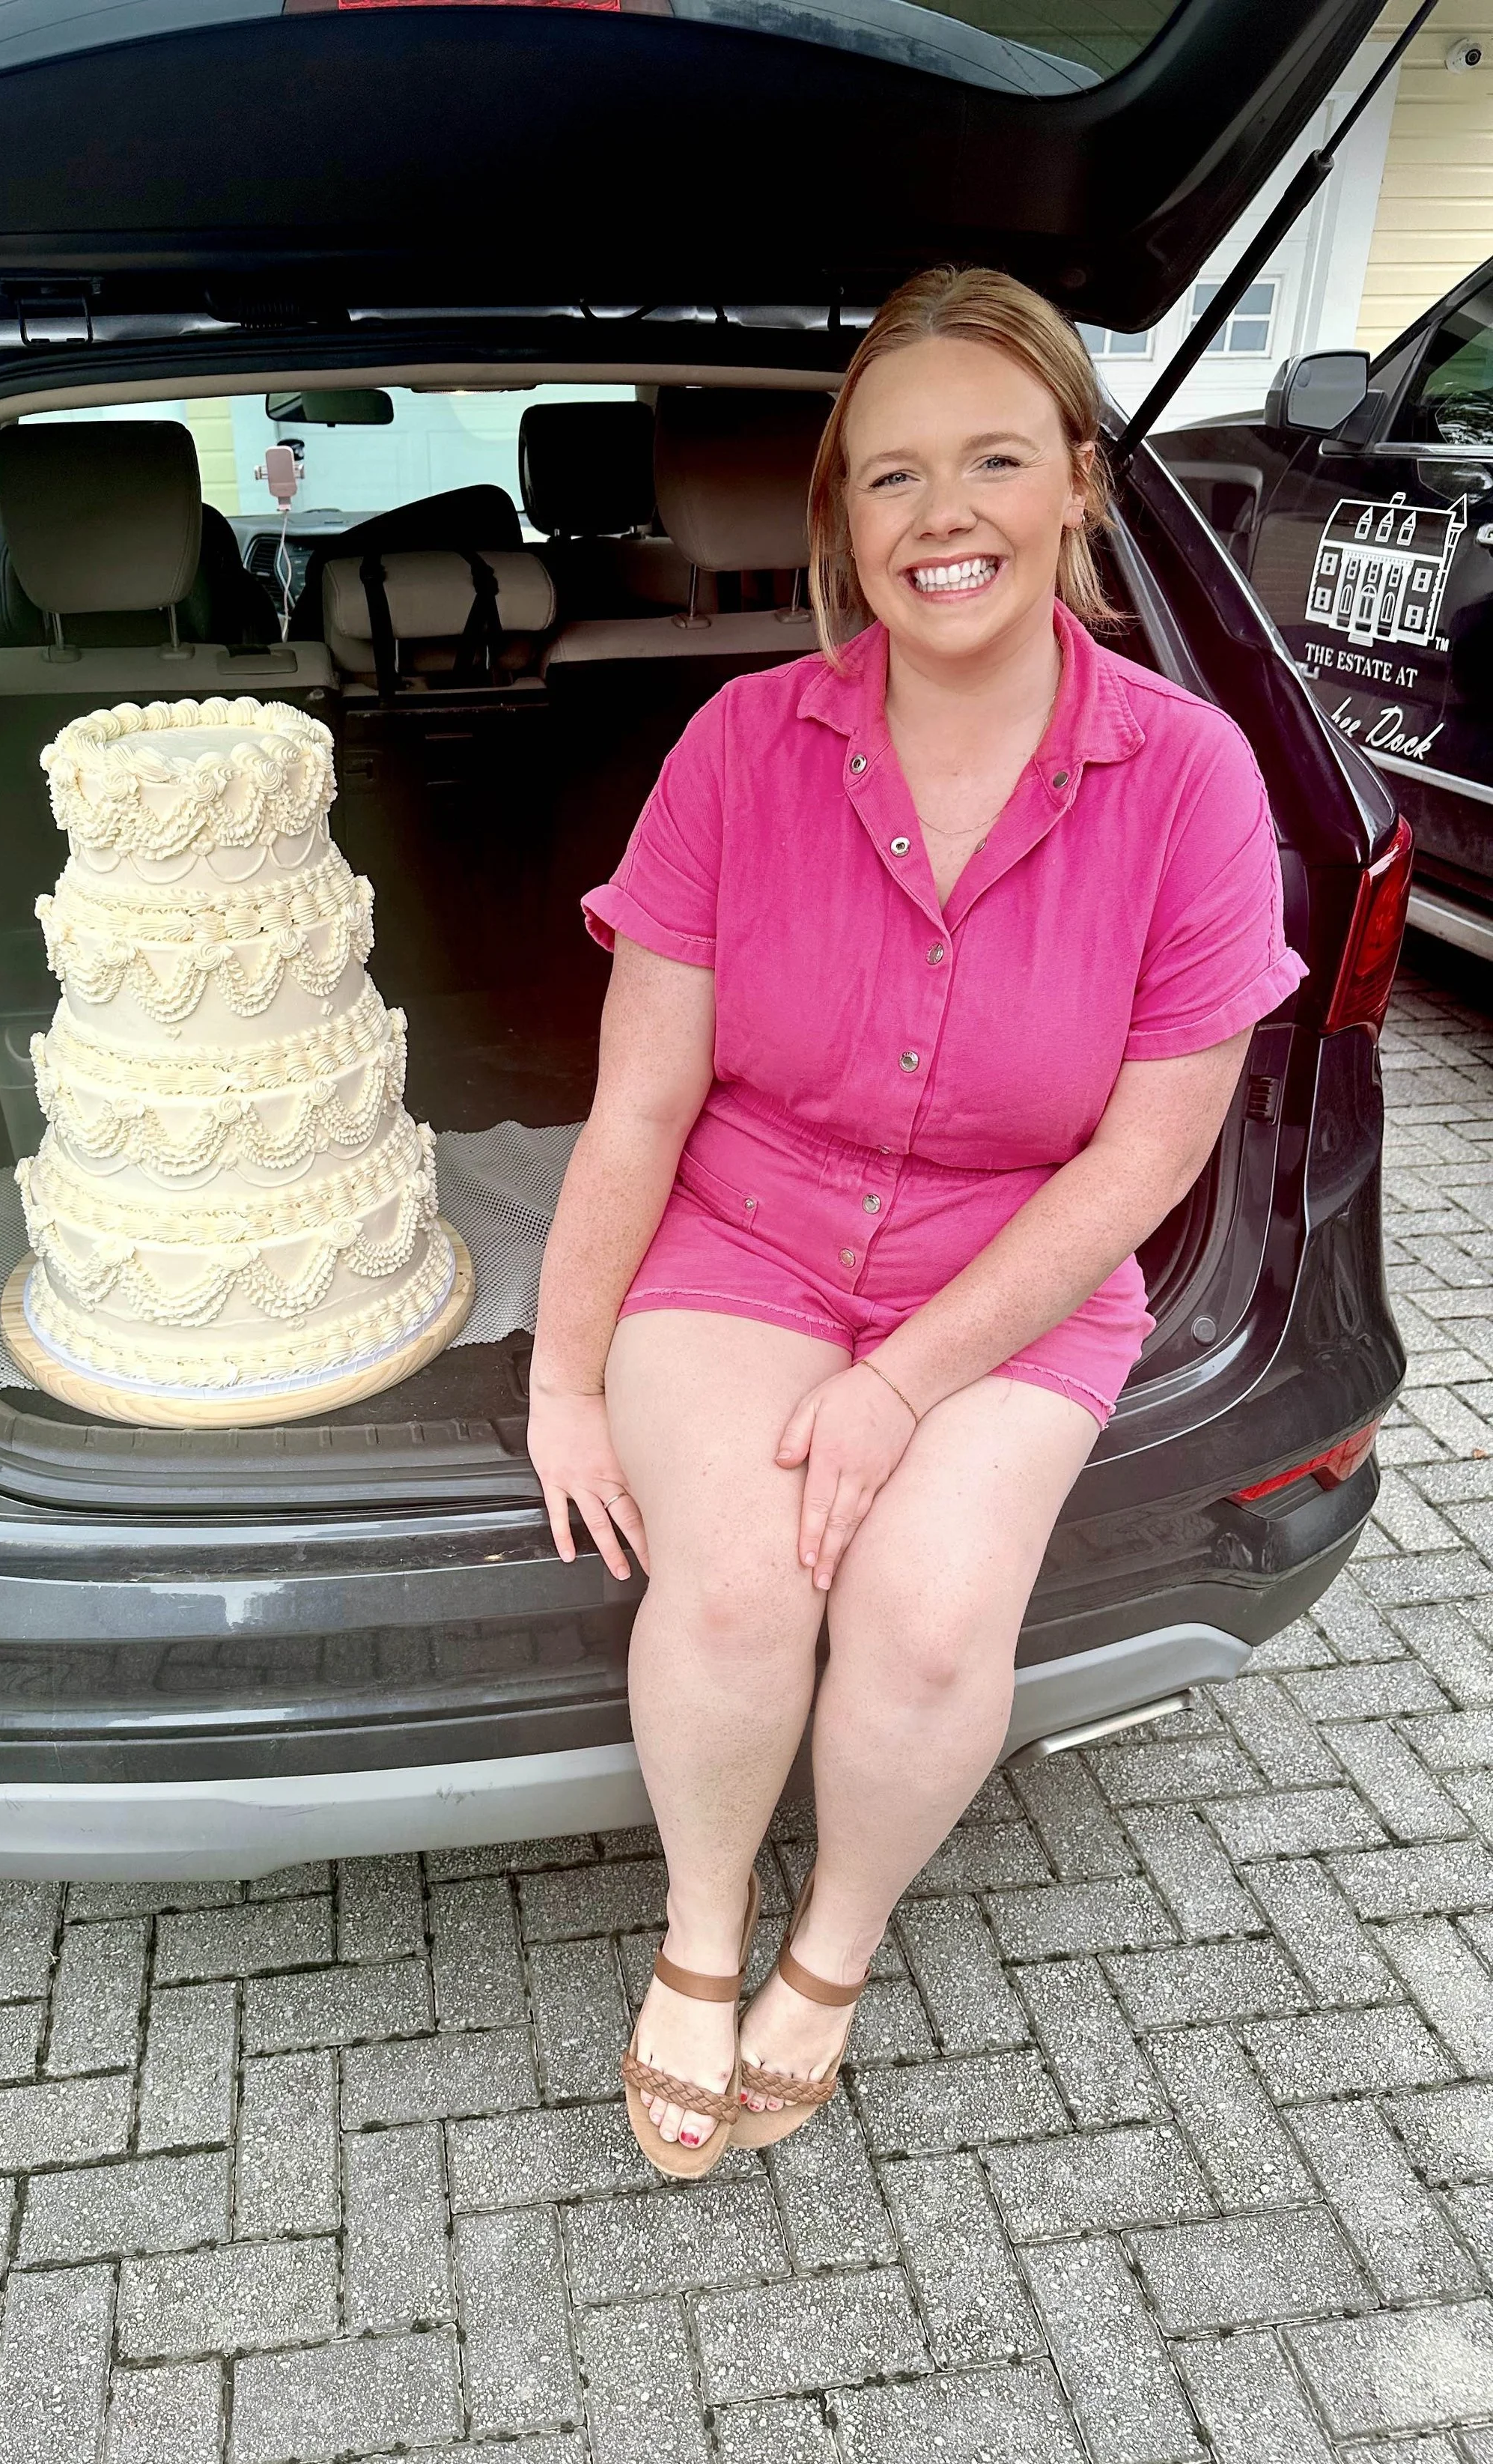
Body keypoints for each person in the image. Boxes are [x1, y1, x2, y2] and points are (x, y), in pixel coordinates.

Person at [527, 264, 1308, 2177]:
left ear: (1071, 483)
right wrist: (561, 1377)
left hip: (1013, 1266)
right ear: (838, 521)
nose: (938, 515)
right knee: (734, 1583)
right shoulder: (736, 750)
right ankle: (700, 1941)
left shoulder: (1188, 775)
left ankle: (831, 1949)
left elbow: (1142, 1161)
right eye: (888, 479)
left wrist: (902, 1380)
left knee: (937, 1626)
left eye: (985, 462)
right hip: (747, 1234)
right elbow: (639, 1103)